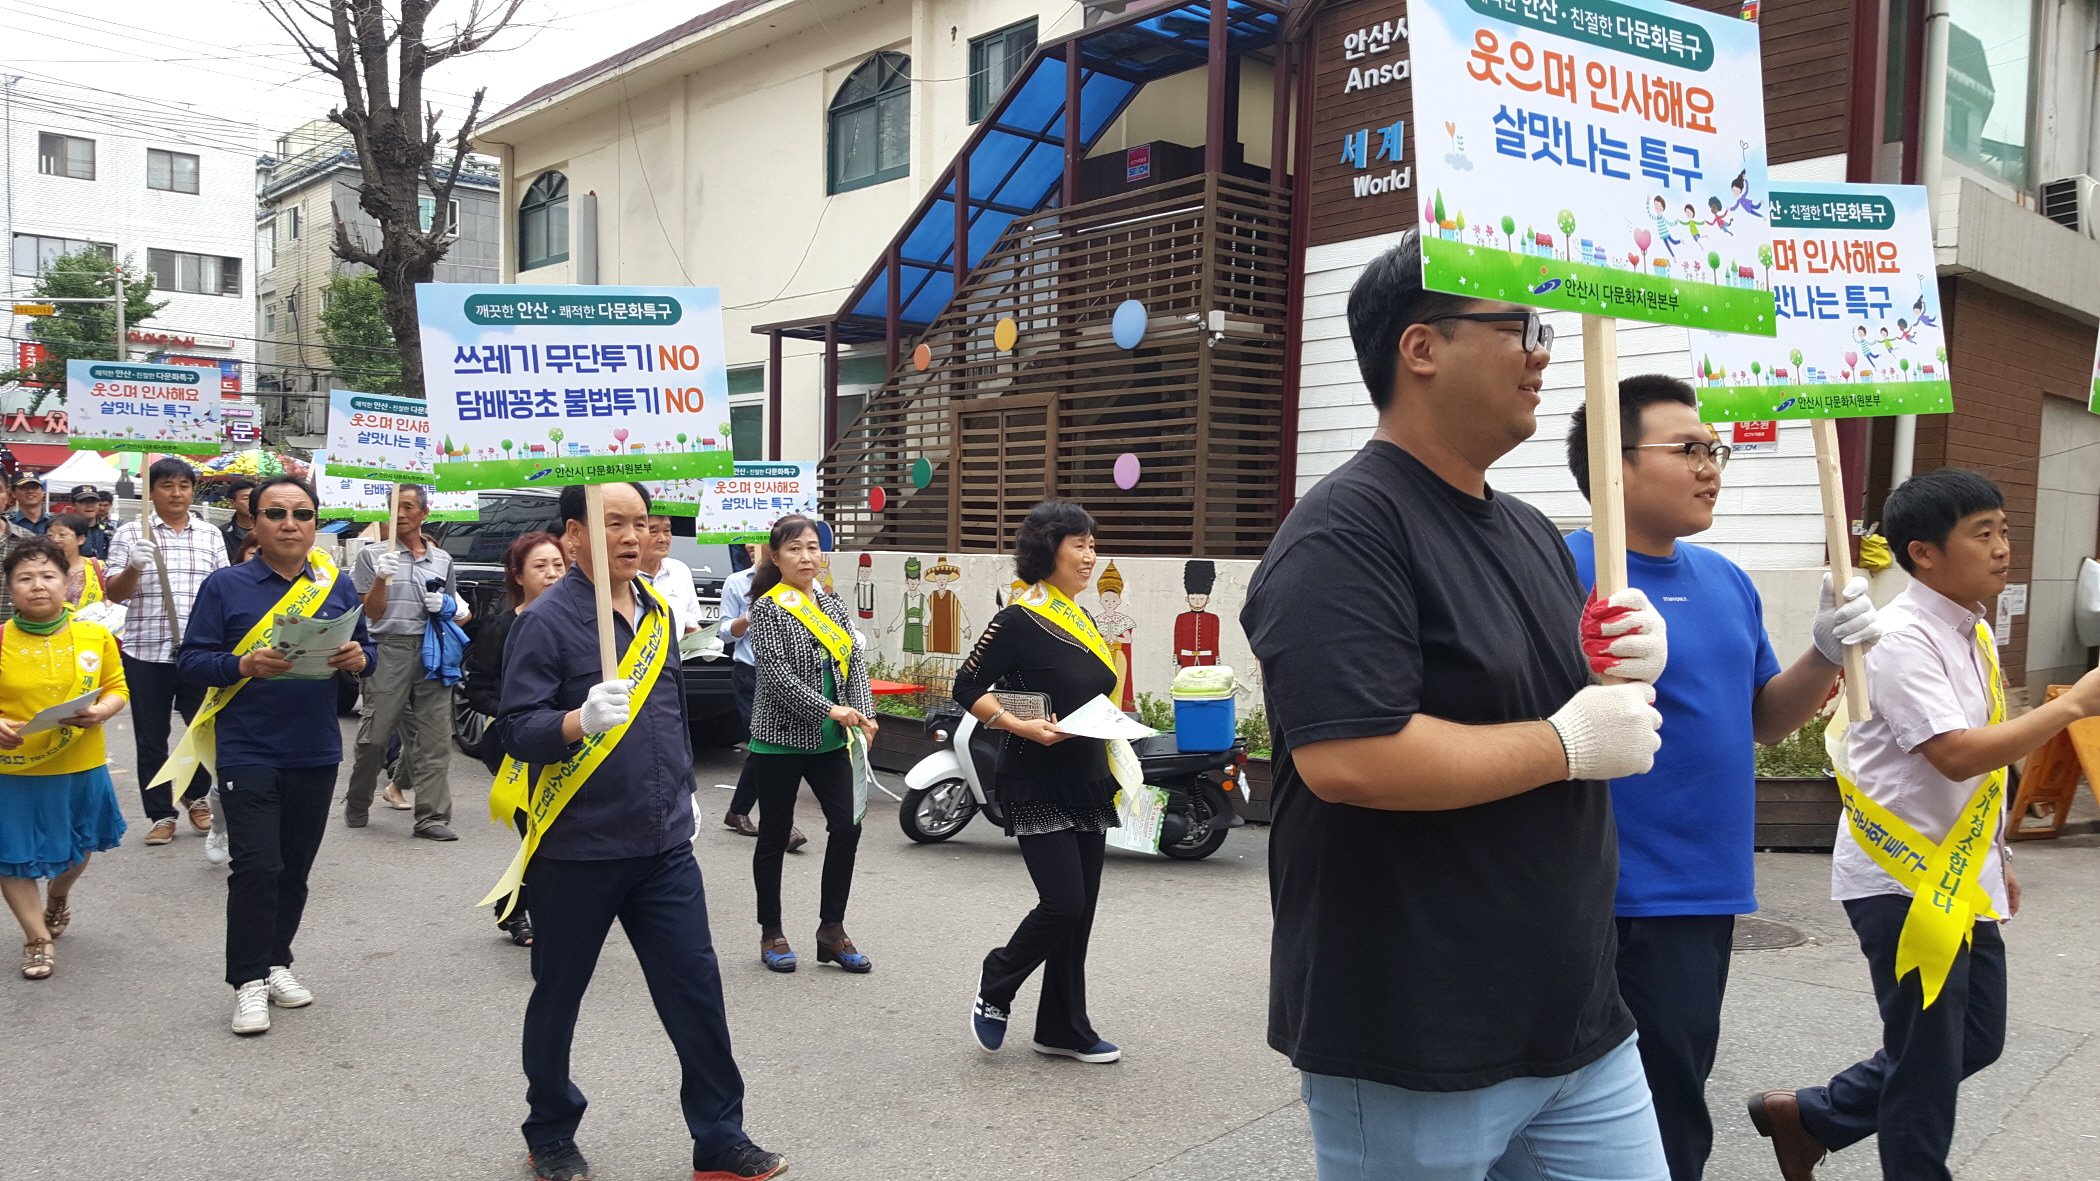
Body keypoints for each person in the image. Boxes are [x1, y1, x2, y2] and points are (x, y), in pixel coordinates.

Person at [1239, 233, 1671, 1181]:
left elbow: (1575, 708)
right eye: (1517, 326)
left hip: (1578, 1022)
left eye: (1544, 328)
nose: (1543, 352)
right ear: (1421, 348)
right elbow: (1351, 757)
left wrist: (1627, 664)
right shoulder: (1344, 529)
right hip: (1416, 1034)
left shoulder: (1527, 529)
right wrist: (1565, 743)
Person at [1563, 376, 1885, 1181]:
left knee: (1673, 1098)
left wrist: (1824, 646)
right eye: (1690, 449)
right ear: (1616, 462)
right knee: (1562, 1105)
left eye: (1717, 450)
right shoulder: (1554, 568)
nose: (1713, 466)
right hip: (1586, 889)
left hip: (1698, 894)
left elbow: (1763, 719)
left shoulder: (1726, 580)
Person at [1750, 468, 2100, 1181]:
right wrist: (2070, 706)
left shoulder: (1970, 628)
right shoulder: (1902, 637)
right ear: (1924, 552)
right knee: (1928, 1060)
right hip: (1901, 880)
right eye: (1984, 533)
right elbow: (1955, 754)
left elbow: (1982, 760)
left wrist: (1997, 853)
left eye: (2005, 530)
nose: (2004, 547)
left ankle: (1813, 1115)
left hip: (1961, 872)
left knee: (1974, 1038)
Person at [494, 482, 783, 1181]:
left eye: (641, 522)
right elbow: (516, 728)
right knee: (559, 993)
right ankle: (551, 1130)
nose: (631, 535)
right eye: (612, 522)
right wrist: (575, 721)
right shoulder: (546, 621)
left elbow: (671, 713)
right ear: (572, 534)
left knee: (695, 988)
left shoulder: (656, 609)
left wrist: (683, 786)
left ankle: (719, 1135)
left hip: (663, 844)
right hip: (578, 845)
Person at [175, 475, 373, 1034]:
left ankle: (277, 960)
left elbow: (370, 653)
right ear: (254, 523)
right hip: (247, 748)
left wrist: (360, 657)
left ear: (317, 523)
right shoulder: (225, 586)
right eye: (277, 513)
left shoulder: (335, 585)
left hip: (314, 748)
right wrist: (242, 665)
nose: (291, 524)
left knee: (294, 870)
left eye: (303, 514)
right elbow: (191, 662)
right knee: (257, 868)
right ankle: (247, 982)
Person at [953, 500, 1131, 1064]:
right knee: (1063, 903)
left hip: (1087, 776)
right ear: (1046, 550)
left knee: (1082, 913)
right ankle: (998, 975)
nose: (1090, 555)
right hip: (1035, 777)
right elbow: (966, 685)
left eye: (1093, 544)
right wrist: (1014, 723)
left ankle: (1062, 1027)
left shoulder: (1082, 617)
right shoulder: (1018, 617)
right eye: (1079, 544)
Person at [743, 514, 877, 974]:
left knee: (848, 827)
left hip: (831, 743)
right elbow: (776, 677)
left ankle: (831, 930)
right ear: (776, 557)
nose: (806, 556)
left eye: (812, 547)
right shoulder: (767, 608)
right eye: (795, 549)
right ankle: (771, 932)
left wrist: (864, 714)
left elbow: (853, 664)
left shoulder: (834, 606)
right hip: (779, 739)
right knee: (774, 836)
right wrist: (830, 710)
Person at [0, 538, 130, 980]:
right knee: (10, 855)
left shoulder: (94, 634)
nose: (37, 586)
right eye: (25, 578)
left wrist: (102, 711)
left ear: (66, 582)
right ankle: (36, 938)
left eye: (47, 576)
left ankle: (58, 896)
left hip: (80, 762)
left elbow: (117, 686)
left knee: (80, 847)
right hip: (14, 769)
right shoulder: (0, 639)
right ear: (11, 588)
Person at [107, 457, 229, 846]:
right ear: (151, 491)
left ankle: (197, 800)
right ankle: (160, 813)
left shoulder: (210, 534)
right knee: (151, 737)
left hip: (199, 653)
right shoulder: (130, 533)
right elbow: (115, 594)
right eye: (167, 486)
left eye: (184, 486)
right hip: (145, 650)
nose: (176, 494)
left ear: (193, 490)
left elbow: (226, 590)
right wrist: (134, 568)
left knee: (201, 731)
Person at [344, 484, 468, 840]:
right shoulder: (372, 556)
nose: (399, 514)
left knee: (434, 738)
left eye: (408, 506)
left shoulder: (442, 559)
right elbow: (373, 611)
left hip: (433, 648)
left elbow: (453, 607)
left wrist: (447, 607)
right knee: (375, 736)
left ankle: (432, 816)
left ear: (424, 513)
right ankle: (358, 798)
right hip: (388, 647)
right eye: (393, 506)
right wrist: (383, 576)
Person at [462, 529, 566, 947]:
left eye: (559, 565)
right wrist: (520, 713)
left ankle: (513, 901)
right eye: (540, 566)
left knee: (553, 833)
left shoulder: (577, 621)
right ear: (518, 575)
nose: (552, 574)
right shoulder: (502, 627)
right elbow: (477, 690)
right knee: (537, 833)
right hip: (514, 747)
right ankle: (519, 911)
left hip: (564, 741)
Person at [720, 543, 805, 850]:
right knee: (765, 744)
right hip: (751, 674)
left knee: (773, 747)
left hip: (790, 675)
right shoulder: (737, 582)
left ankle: (738, 810)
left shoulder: (802, 583)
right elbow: (726, 631)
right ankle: (782, 824)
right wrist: (752, 615)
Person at [641, 513, 703, 637]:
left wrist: (704, 642)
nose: (663, 539)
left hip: (675, 656)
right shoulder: (622, 575)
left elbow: (690, 622)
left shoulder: (680, 570)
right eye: (653, 531)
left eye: (667, 531)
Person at [43, 513, 109, 611]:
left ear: (80, 539)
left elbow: (110, 597)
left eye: (62, 535)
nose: (55, 540)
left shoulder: (97, 567)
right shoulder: (41, 568)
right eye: (50, 535)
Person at [67, 486, 111, 559]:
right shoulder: (67, 530)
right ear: (73, 505)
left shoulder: (109, 529)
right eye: (83, 501)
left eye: (93, 501)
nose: (89, 505)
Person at [220, 478, 257, 562]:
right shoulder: (221, 534)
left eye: (254, 498)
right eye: (246, 498)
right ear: (232, 503)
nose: (251, 502)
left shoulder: (267, 531)